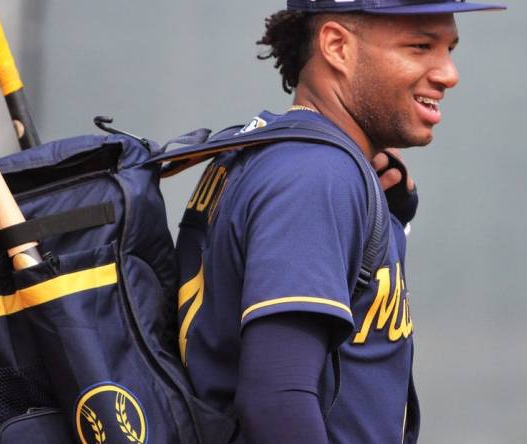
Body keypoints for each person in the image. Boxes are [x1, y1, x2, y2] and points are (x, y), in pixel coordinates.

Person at [175, 1, 505, 442]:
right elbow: (277, 402)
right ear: (336, 46)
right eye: (420, 46)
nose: (448, 73)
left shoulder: (275, 150)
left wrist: (388, 218)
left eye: (449, 48)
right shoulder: (315, 178)